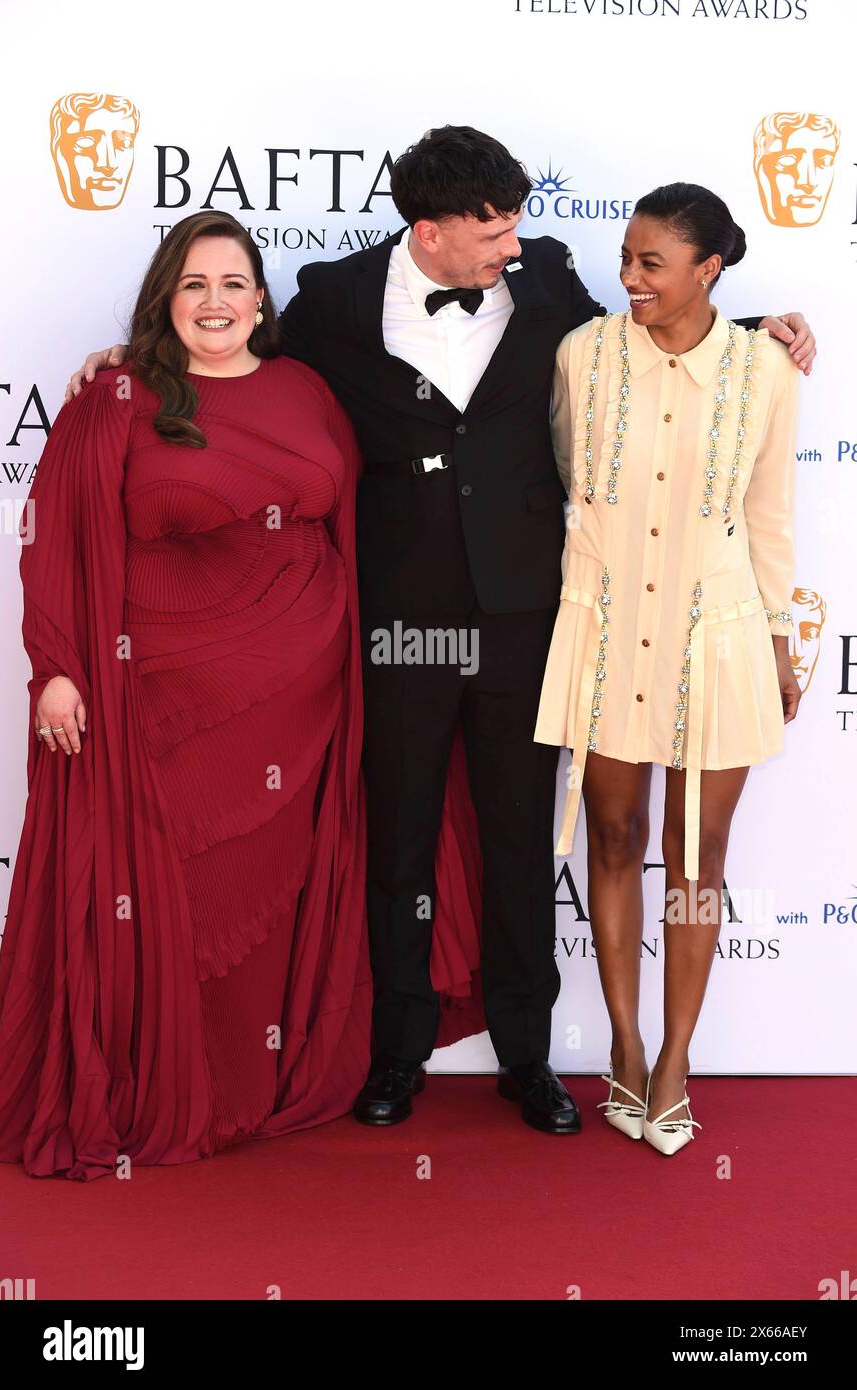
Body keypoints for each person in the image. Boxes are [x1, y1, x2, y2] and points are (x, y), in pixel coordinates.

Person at [65, 127, 815, 1136]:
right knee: (402, 839)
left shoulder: (547, 280)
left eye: (517, 225)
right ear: (430, 231)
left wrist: (767, 326)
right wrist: (130, 357)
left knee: (514, 841)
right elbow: (235, 355)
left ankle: (527, 1058)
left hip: (524, 617)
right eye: (495, 228)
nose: (515, 243)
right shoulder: (331, 297)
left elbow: (659, 332)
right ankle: (395, 1054)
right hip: (396, 617)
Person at [0, 210, 376, 1180]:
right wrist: (58, 668)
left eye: (234, 283)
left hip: (300, 705)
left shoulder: (307, 392)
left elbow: (351, 524)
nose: (216, 303)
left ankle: (246, 1091)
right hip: (156, 705)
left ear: (261, 300)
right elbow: (57, 538)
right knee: (160, 901)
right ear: (168, 296)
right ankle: (151, 1088)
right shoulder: (117, 395)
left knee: (263, 905)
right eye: (195, 284)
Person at [533, 184, 802, 1155]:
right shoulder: (582, 355)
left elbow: (770, 520)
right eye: (628, 256)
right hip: (607, 630)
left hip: (718, 635)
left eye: (652, 262)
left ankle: (675, 1059)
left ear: (708, 269)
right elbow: (564, 474)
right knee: (612, 835)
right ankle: (624, 1039)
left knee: (698, 856)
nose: (630, 277)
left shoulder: (767, 368)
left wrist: (782, 643)